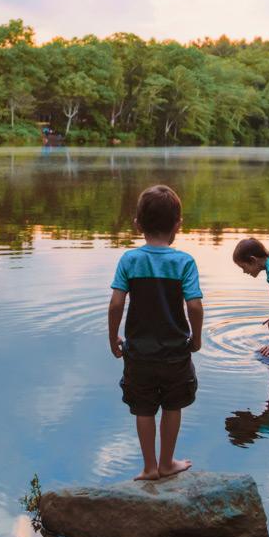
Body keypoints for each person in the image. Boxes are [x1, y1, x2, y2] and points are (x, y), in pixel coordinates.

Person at [108, 185, 203, 481]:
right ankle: (167, 463)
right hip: (175, 352)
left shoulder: (129, 261)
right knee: (173, 405)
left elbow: (115, 304)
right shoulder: (184, 262)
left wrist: (114, 339)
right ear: (178, 225)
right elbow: (195, 306)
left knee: (144, 408)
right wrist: (196, 339)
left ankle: (149, 467)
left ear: (137, 224)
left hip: (138, 352)